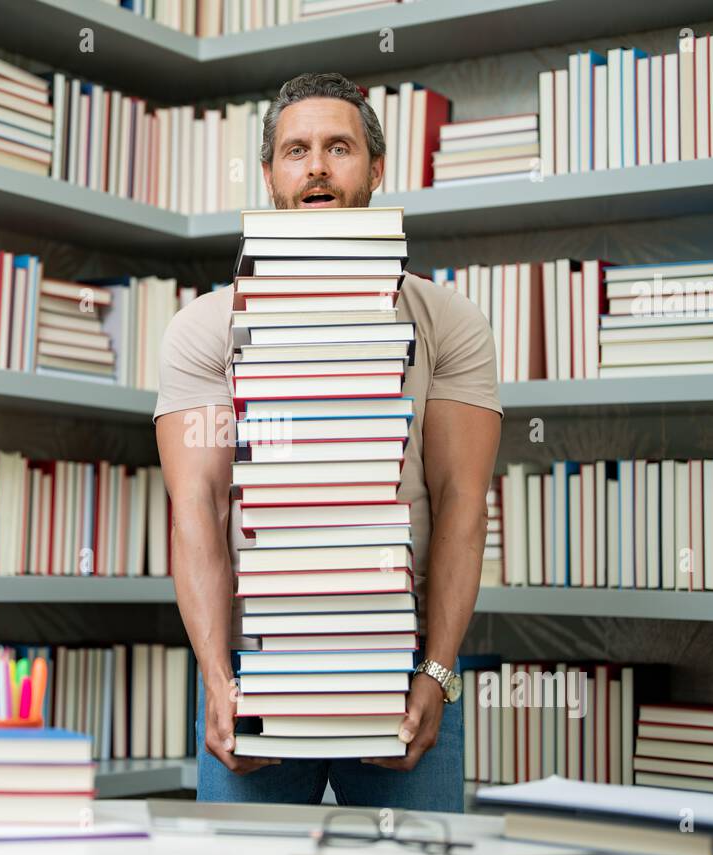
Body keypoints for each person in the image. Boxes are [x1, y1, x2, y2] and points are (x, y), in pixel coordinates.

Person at [153, 72, 502, 812]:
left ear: (377, 170)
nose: (316, 166)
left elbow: (463, 503)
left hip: (403, 658)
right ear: (272, 175)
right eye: (296, 150)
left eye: (339, 148)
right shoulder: (203, 330)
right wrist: (219, 678)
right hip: (253, 658)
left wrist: (434, 673)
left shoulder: (452, 323)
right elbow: (197, 509)